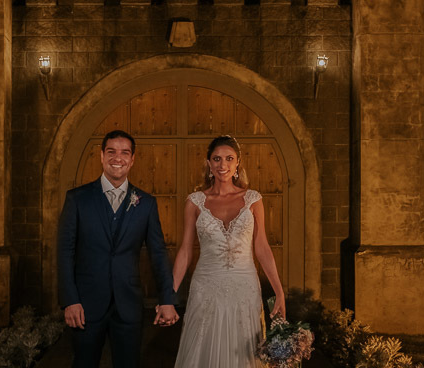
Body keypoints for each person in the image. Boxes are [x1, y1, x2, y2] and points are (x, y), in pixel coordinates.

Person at [57, 129, 180, 368]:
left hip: (128, 304)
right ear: (101, 156)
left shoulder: (146, 203)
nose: (118, 158)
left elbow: (157, 253)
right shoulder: (77, 199)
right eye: (111, 152)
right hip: (85, 304)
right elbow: (64, 252)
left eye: (125, 153)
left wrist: (167, 299)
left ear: (132, 159)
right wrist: (69, 300)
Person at [172, 135, 285, 368]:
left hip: (244, 286)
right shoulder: (194, 202)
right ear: (209, 164)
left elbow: (262, 247)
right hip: (206, 285)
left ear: (237, 164)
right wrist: (168, 295)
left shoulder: (253, 200)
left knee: (243, 353)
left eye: (229, 159)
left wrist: (279, 292)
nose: (222, 164)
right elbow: (185, 250)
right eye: (217, 159)